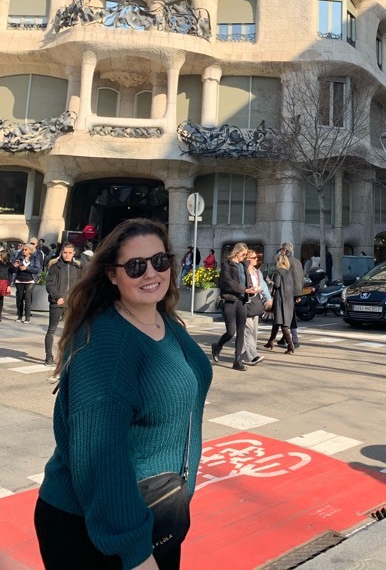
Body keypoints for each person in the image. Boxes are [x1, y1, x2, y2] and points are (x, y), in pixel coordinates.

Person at [34, 217, 212, 570]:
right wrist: (134, 551)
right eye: (135, 266)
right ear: (112, 275)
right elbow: (101, 459)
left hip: (154, 510)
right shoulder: (106, 346)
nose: (151, 274)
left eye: (160, 261)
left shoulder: (163, 319)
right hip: (98, 528)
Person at [211, 242, 250, 371]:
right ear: (237, 252)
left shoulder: (243, 265)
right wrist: (244, 289)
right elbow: (227, 282)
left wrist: (251, 288)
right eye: (243, 254)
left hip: (242, 301)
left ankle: (237, 360)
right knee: (230, 332)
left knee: (241, 331)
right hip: (230, 301)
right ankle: (217, 346)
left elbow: (246, 280)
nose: (244, 257)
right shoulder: (227, 265)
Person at [43, 242, 81, 367]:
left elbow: (80, 285)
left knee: (71, 331)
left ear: (74, 253)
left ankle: (67, 357)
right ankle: (48, 357)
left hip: (72, 304)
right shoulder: (55, 267)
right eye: (65, 252)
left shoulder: (76, 267)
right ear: (61, 252)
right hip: (57, 303)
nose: (67, 255)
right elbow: (49, 284)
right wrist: (57, 297)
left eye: (70, 253)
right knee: (52, 329)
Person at [242, 249, 271, 366]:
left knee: (253, 331)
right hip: (245, 303)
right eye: (254, 258)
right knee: (248, 330)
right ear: (247, 259)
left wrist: (268, 299)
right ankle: (252, 356)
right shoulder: (242, 271)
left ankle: (244, 355)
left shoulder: (257, 272)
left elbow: (263, 285)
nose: (256, 260)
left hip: (255, 303)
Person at [264, 252, 296, 354]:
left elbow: (276, 285)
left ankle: (291, 345)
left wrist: (269, 281)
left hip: (280, 300)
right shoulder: (289, 272)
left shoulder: (278, 272)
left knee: (282, 324)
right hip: (289, 300)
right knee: (277, 322)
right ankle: (270, 341)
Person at [278, 242, 303, 348]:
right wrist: (299, 295)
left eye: (281, 249)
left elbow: (285, 278)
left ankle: (294, 340)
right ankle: (285, 338)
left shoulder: (285, 261)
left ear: (284, 250)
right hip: (295, 292)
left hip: (287, 293)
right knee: (288, 316)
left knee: (287, 317)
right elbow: (300, 278)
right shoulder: (297, 261)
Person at [13, 242, 41, 323]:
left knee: (28, 298)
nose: (24, 251)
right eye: (23, 249)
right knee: (19, 298)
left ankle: (27, 317)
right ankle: (19, 316)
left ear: (30, 250)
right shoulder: (19, 257)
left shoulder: (35, 258)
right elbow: (13, 269)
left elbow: (37, 269)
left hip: (30, 279)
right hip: (19, 279)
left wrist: (27, 268)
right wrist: (15, 266)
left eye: (25, 249)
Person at [0, 251, 10, 321]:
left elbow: (11, 274)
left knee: (1, 299)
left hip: (3, 281)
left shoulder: (8, 264)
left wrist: (9, 285)